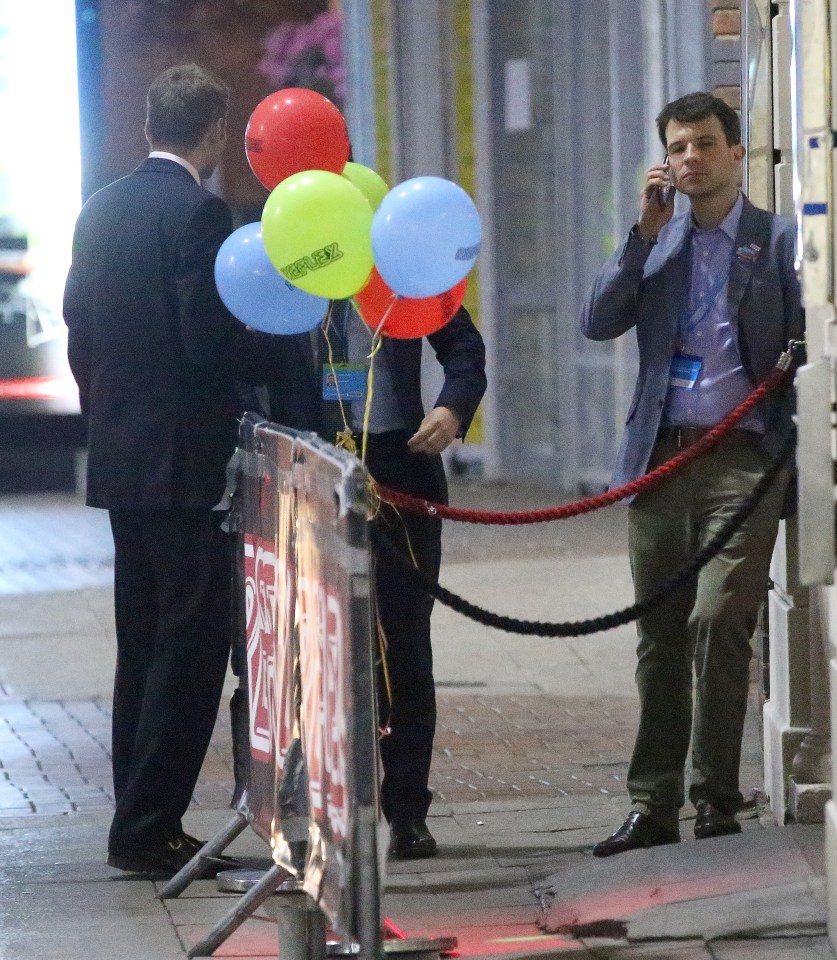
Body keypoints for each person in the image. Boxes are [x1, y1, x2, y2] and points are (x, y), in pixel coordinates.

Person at [581, 92, 804, 856]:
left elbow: (804, 346)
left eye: (706, 144)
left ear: (737, 153)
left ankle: (717, 795)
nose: (691, 159)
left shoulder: (776, 243)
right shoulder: (661, 246)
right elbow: (599, 320)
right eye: (678, 147)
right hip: (662, 458)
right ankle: (654, 804)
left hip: (743, 456)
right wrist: (639, 239)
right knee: (660, 637)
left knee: (718, 620)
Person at [63, 64, 272, 877]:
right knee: (190, 646)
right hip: (184, 466)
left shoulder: (99, 209)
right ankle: (150, 828)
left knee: (141, 644)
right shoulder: (200, 213)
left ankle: (135, 811)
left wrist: (112, 416)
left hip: (121, 461)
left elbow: (80, 332)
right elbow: (204, 341)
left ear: (151, 123)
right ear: (215, 132)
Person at [266, 298, 485, 859]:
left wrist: (452, 408)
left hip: (397, 464)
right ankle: (326, 807)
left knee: (406, 643)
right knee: (320, 648)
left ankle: (407, 809)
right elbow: (245, 366)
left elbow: (464, 347)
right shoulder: (288, 269)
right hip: (309, 467)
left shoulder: (395, 273)